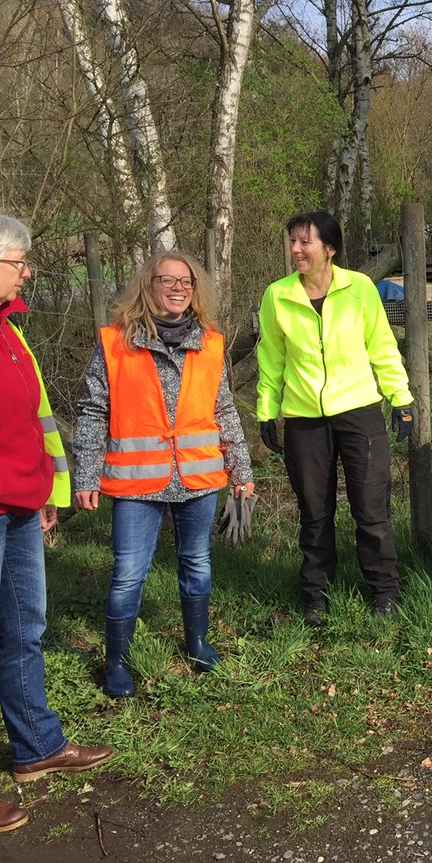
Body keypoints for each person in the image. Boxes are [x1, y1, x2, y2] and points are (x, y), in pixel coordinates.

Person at [0, 209, 112, 834]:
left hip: (18, 514)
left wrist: (47, 494)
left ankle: (37, 748)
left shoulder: (7, 329)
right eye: (17, 261)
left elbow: (31, 423)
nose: (26, 271)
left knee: (25, 631)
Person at [72, 250, 255, 698]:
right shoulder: (116, 341)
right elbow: (94, 410)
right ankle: (117, 662)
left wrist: (241, 468)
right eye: (167, 280)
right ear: (147, 285)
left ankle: (197, 643)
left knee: (196, 562)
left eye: (186, 281)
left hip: (198, 477)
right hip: (137, 482)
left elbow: (223, 408)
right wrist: (85, 476)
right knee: (128, 572)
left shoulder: (210, 341)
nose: (177, 288)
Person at [256, 211, 414, 626]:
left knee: (371, 508)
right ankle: (316, 598)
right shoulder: (277, 295)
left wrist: (401, 398)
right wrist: (266, 409)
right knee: (314, 511)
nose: (295, 249)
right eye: (292, 241)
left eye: (304, 242)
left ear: (330, 248)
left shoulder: (360, 289)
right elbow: (271, 359)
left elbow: (381, 346)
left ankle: (384, 593)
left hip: (359, 412)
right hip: (305, 419)